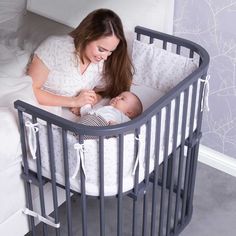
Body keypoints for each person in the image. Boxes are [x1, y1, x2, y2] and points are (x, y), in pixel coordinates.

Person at [27, 8, 133, 110]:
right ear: (87, 36)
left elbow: (105, 89)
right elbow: (30, 90)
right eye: (101, 49)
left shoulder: (102, 62)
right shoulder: (55, 47)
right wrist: (74, 101)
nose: (105, 57)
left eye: (110, 51)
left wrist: (89, 100)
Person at [71, 91, 143, 125]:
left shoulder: (123, 117)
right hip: (81, 125)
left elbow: (125, 131)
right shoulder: (101, 108)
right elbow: (87, 112)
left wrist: (115, 126)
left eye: (122, 99)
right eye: (118, 95)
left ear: (128, 113)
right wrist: (85, 105)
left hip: (97, 129)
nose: (117, 97)